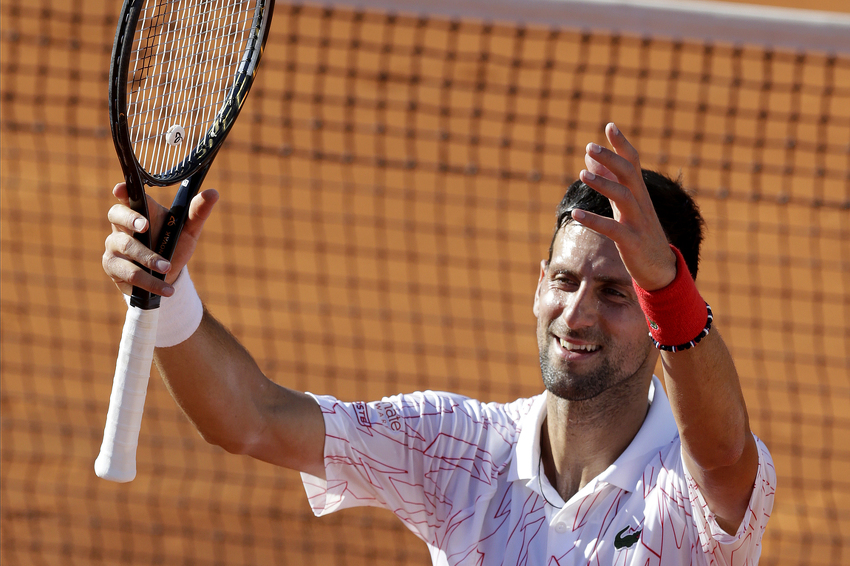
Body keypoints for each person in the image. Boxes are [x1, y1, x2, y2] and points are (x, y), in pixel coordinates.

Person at [102, 124, 774, 564]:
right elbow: (251, 420)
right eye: (565, 281)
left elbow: (723, 454)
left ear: (659, 314)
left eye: (615, 293)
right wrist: (169, 293)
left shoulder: (685, 489)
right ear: (538, 284)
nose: (576, 313)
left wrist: (666, 288)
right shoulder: (458, 449)